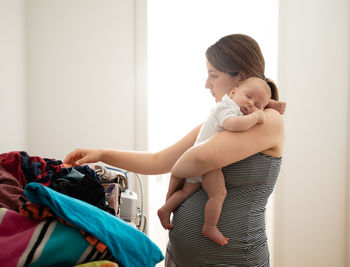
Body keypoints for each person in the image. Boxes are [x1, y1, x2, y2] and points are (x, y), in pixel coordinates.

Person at [64, 33, 285, 266]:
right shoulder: (216, 128)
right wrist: (101, 154)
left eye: (213, 75)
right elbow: (159, 160)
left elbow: (200, 158)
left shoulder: (267, 120)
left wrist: (175, 179)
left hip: (235, 259)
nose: (206, 84)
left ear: (238, 78)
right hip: (180, 258)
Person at [157, 77, 271, 246]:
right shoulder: (227, 107)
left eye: (257, 105)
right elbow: (232, 125)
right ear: (233, 92)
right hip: (207, 162)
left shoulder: (235, 105)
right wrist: (257, 117)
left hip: (199, 161)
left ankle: (165, 209)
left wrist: (270, 106)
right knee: (218, 193)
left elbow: (257, 98)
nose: (250, 104)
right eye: (248, 96)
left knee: (186, 191)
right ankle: (209, 226)